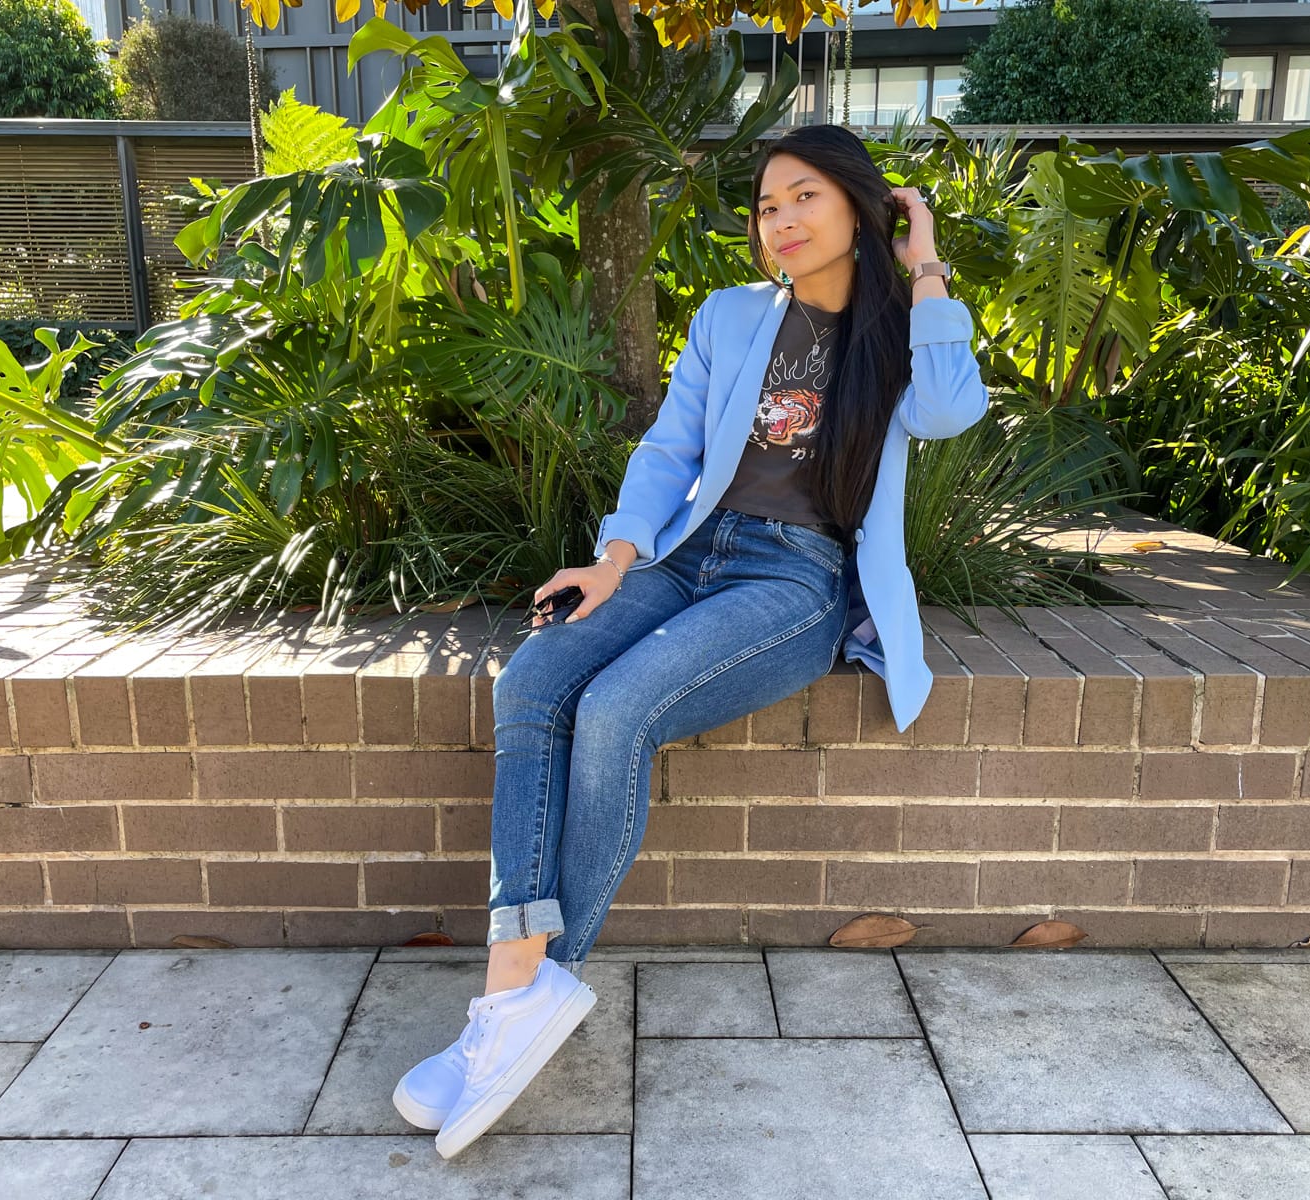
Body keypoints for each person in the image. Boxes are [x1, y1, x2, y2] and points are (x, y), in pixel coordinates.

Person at [394, 122, 989, 1160]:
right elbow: (669, 448)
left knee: (618, 709)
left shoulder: (902, 334)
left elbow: (945, 412)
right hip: (681, 557)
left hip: (795, 579)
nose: (782, 222)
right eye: (766, 207)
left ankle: (517, 1001)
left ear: (859, 205)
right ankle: (514, 1000)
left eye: (804, 196)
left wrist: (925, 255)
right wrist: (615, 557)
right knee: (535, 680)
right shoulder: (727, 318)